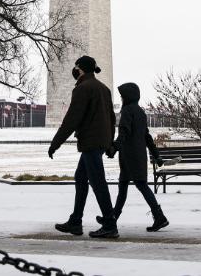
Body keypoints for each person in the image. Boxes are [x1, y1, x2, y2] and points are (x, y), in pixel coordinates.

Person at [48, 55, 118, 238]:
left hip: (90, 142)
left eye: (75, 67)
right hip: (100, 142)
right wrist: (110, 143)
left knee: (98, 183)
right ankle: (76, 221)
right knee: (81, 178)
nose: (74, 70)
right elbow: (111, 118)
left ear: (80, 69)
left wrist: (55, 144)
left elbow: (71, 120)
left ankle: (110, 224)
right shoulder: (104, 88)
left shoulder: (82, 89)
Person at [101, 82, 169, 232]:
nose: (121, 98)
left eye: (122, 96)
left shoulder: (127, 111)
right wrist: (156, 155)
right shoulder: (140, 112)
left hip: (129, 156)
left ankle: (159, 217)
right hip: (138, 156)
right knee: (126, 187)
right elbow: (147, 137)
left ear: (128, 96)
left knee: (137, 187)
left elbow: (123, 132)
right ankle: (112, 217)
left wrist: (114, 148)